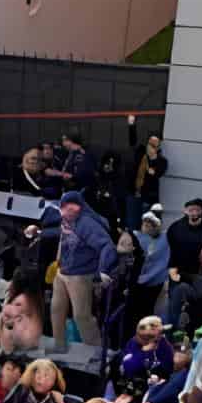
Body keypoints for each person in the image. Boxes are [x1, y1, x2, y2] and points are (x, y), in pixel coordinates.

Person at [39, 191, 117, 350]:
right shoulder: (66, 218)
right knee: (56, 309)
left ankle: (96, 349)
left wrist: (103, 270)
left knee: (81, 316)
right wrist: (41, 235)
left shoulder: (87, 223)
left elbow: (107, 246)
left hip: (79, 275)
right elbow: (61, 236)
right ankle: (59, 344)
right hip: (62, 271)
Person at [115, 316, 173, 402]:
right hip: (134, 389)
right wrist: (146, 351)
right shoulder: (134, 343)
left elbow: (168, 366)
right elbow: (129, 367)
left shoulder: (163, 344)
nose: (161, 335)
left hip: (157, 385)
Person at [125, 115, 167, 230]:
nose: (151, 147)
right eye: (150, 143)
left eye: (154, 145)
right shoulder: (140, 152)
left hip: (147, 198)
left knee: (146, 227)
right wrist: (132, 125)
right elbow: (132, 142)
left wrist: (153, 159)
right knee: (131, 225)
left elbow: (157, 173)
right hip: (133, 194)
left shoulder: (161, 161)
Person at [167, 198, 202, 281]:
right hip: (178, 272)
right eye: (191, 210)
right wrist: (172, 269)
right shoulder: (175, 227)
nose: (194, 213)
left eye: (197, 210)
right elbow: (170, 248)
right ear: (185, 211)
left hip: (201, 274)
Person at [130, 212, 169, 330]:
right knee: (138, 310)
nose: (147, 227)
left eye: (150, 224)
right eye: (145, 224)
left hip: (156, 281)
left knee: (149, 309)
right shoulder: (136, 236)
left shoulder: (165, 237)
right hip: (138, 280)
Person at [45, 130, 97, 195]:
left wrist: (60, 174)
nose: (63, 143)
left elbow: (81, 176)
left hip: (80, 193)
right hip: (68, 192)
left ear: (71, 140)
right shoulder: (69, 153)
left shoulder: (83, 154)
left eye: (64, 140)